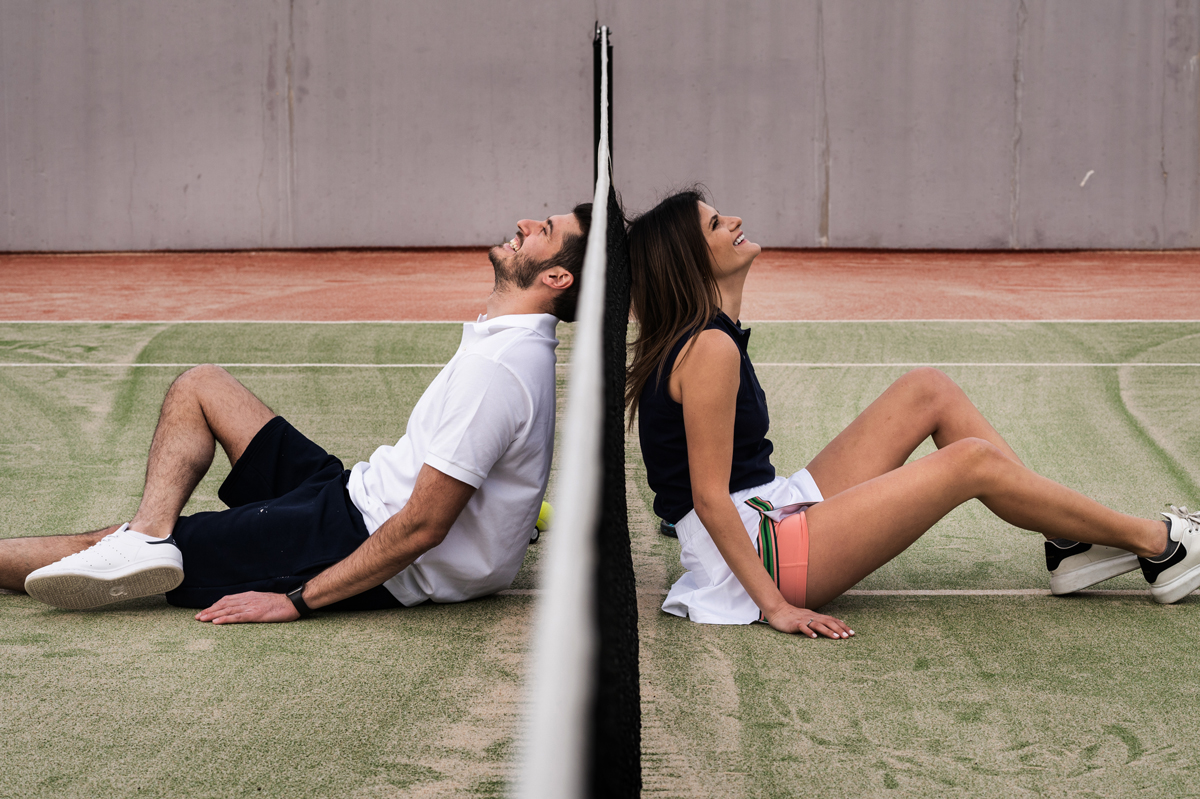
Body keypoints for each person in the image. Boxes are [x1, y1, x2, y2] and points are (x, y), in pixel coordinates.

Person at [625, 188, 1200, 639]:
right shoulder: (709, 349)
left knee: (928, 389)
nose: (733, 221)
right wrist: (775, 607)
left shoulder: (710, 335)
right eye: (715, 224)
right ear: (691, 261)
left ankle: (1067, 542)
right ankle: (1161, 545)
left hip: (765, 508)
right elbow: (706, 498)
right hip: (754, 557)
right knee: (971, 461)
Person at [1, 203, 592, 624]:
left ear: (556, 276)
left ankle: (146, 542)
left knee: (113, 543)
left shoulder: (497, 370)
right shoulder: (506, 342)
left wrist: (297, 600)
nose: (524, 223)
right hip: (354, 494)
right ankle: (148, 536)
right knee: (202, 386)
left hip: (359, 539)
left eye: (543, 230)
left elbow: (422, 527)